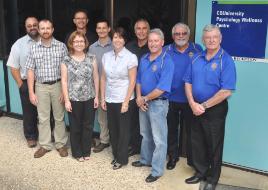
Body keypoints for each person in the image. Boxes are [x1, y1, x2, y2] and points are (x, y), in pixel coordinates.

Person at [184, 24, 236, 190]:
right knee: (197, 141)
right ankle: (201, 172)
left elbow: (227, 91)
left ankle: (213, 179)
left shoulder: (225, 60)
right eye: (208, 37)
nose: (211, 40)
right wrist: (192, 103)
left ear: (220, 39)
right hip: (195, 107)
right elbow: (188, 81)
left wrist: (204, 106)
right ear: (203, 40)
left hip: (214, 109)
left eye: (215, 37)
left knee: (214, 144)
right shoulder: (196, 58)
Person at [132, 28, 174, 183]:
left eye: (156, 41)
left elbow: (162, 88)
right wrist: (138, 97)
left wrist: (144, 98)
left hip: (158, 104)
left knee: (159, 138)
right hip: (143, 102)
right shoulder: (144, 58)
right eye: (151, 41)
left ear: (162, 42)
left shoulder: (167, 61)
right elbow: (138, 80)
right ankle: (145, 160)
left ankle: (156, 170)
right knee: (145, 134)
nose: (153, 43)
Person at [26, 19, 68, 158]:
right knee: (43, 118)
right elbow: (30, 70)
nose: (45, 31)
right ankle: (45, 145)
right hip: (41, 87)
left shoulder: (61, 46)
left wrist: (64, 90)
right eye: (42, 28)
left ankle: (61, 144)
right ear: (38, 30)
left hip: (57, 85)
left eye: (48, 28)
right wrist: (31, 92)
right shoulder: (33, 48)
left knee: (59, 117)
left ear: (52, 29)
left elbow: (66, 70)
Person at [164, 23, 202, 170]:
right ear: (173, 36)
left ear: (188, 35)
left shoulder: (197, 49)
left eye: (183, 33)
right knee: (171, 129)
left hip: (190, 99)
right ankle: (172, 156)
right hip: (170, 98)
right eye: (177, 34)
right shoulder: (165, 50)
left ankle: (193, 161)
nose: (180, 36)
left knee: (192, 131)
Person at [101, 27, 137, 170]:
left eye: (120, 37)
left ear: (124, 40)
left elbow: (132, 81)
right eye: (115, 37)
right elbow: (103, 78)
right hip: (110, 98)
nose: (117, 40)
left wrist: (126, 102)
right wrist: (103, 98)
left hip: (124, 99)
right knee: (113, 129)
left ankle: (122, 159)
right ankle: (116, 154)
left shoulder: (131, 57)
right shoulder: (106, 56)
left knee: (123, 131)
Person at [61, 31, 99, 162]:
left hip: (90, 97)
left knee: (88, 126)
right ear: (71, 43)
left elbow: (96, 77)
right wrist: (66, 100)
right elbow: (64, 81)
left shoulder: (91, 58)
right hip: (73, 98)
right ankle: (77, 153)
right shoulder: (66, 59)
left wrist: (97, 97)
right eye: (76, 41)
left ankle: (86, 151)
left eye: (81, 41)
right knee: (75, 126)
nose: (79, 43)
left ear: (85, 43)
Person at [6, 17, 39, 148]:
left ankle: (50, 134)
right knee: (29, 112)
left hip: (45, 83)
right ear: (25, 28)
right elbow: (13, 66)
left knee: (48, 111)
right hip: (26, 82)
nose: (32, 27)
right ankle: (31, 136)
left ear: (39, 25)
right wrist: (21, 84)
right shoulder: (19, 44)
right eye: (29, 25)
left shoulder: (46, 40)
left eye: (35, 25)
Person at [126, 18, 150, 156]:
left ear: (148, 30)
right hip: (131, 89)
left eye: (144, 28)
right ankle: (134, 146)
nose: (141, 31)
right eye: (138, 29)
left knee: (147, 122)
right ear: (135, 31)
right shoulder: (129, 46)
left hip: (148, 91)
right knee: (132, 120)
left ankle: (145, 149)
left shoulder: (153, 46)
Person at [88, 18, 113, 153]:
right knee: (102, 117)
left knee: (115, 116)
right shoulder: (92, 47)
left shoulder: (115, 44)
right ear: (96, 30)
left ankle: (116, 140)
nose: (102, 30)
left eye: (104, 28)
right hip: (97, 87)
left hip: (114, 87)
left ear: (109, 29)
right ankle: (104, 140)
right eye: (99, 28)